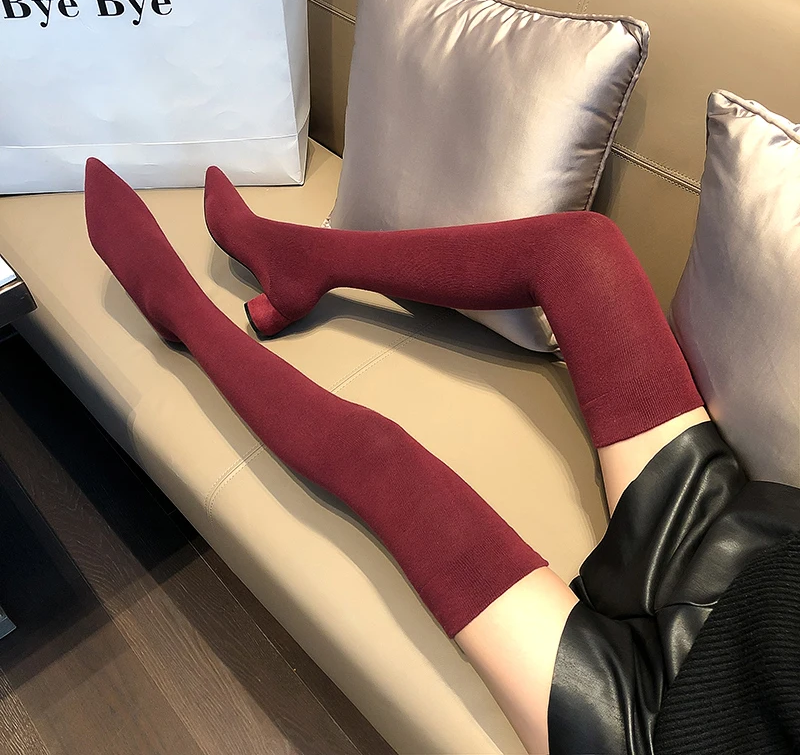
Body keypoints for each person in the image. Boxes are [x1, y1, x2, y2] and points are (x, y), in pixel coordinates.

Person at [84, 158, 800, 754]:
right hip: (756, 556)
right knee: (579, 248)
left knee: (382, 458)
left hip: (662, 723)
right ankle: (300, 258)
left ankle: (179, 311)